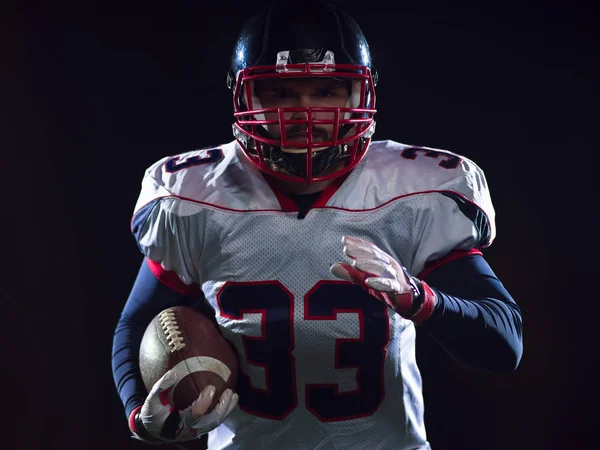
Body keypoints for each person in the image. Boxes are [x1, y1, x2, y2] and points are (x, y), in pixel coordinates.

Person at [111, 1, 523, 449]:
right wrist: (138, 411)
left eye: (325, 91)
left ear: (358, 96)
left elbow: (503, 343)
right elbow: (135, 325)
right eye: (280, 93)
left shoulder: (414, 193)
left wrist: (419, 298)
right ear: (244, 97)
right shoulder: (193, 197)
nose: (304, 112)